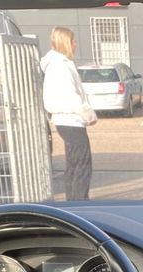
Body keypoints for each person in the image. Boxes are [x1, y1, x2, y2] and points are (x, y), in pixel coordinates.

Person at [40, 26, 97, 200]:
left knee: (74, 164)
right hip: (72, 120)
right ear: (66, 43)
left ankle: (73, 200)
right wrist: (88, 114)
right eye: (73, 41)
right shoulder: (61, 66)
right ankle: (79, 202)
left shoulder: (55, 65)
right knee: (82, 165)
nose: (75, 44)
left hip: (64, 120)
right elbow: (71, 97)